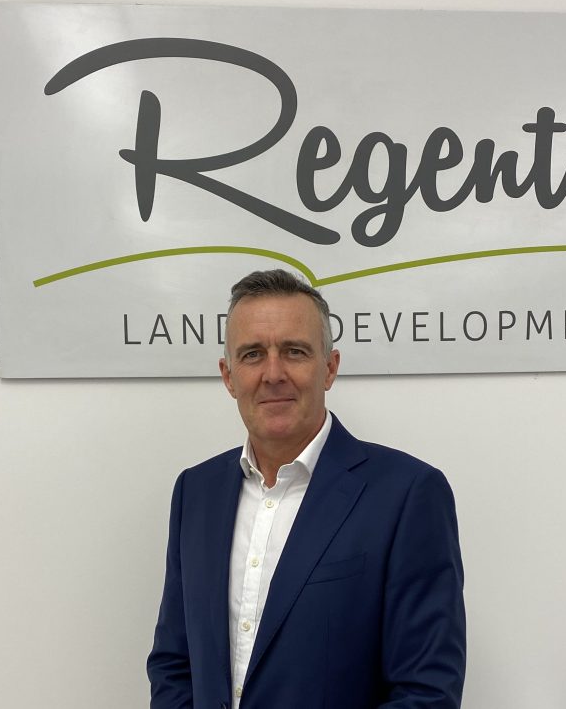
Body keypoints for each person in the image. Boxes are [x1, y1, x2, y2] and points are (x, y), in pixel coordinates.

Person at [147, 269, 466, 709]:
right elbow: (173, 664)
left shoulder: (407, 495)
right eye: (253, 354)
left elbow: (426, 691)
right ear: (228, 376)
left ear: (330, 368)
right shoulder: (195, 493)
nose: (273, 373)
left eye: (294, 352)